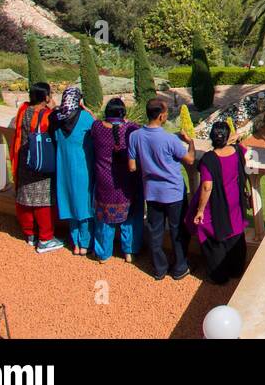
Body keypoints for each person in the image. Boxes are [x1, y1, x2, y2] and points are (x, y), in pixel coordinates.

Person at [128, 97, 195, 280]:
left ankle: (159, 269)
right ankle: (180, 267)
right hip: (173, 192)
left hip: (151, 191)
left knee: (155, 231)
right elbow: (189, 160)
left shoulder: (135, 136)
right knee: (177, 230)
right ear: (161, 116)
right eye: (165, 112)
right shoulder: (169, 139)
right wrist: (190, 143)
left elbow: (132, 166)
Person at [187, 120, 250, 284]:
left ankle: (219, 276)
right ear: (227, 137)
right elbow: (245, 151)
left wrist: (200, 210)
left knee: (213, 237)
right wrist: (233, 139)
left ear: (211, 137)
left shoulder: (209, 159)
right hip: (234, 201)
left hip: (216, 204)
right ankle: (236, 270)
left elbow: (207, 186)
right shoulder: (236, 150)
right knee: (235, 233)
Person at [10, 82, 64, 253]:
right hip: (42, 161)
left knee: (25, 197)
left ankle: (30, 234)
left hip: (24, 158)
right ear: (46, 97)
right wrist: (55, 109)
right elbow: (57, 128)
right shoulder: (47, 115)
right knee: (43, 201)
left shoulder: (23, 111)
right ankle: (45, 239)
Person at [92, 97, 144, 263]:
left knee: (104, 218)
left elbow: (95, 122)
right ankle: (129, 251)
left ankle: (103, 254)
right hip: (127, 181)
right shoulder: (131, 129)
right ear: (124, 114)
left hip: (105, 181)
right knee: (130, 216)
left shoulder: (97, 128)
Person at [53, 86, 95, 255]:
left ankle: (76, 242)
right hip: (82, 166)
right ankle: (84, 244)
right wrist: (90, 112)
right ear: (79, 101)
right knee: (84, 205)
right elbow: (97, 129)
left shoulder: (57, 119)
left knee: (69, 203)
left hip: (63, 167)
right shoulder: (85, 117)